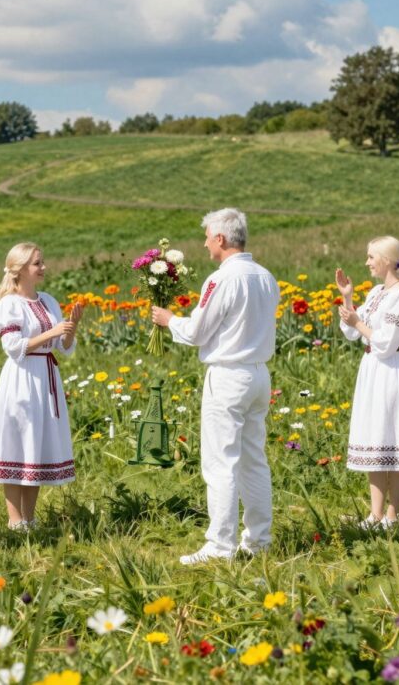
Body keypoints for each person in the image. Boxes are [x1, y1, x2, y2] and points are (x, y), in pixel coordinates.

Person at [151, 207, 279, 564]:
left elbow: (196, 331)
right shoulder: (266, 276)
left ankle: (220, 544)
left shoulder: (221, 279)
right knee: (254, 458)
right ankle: (259, 539)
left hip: (228, 374)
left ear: (220, 238)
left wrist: (170, 319)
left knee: (221, 462)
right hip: (258, 371)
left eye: (208, 237)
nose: (205, 244)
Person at [0, 243, 83, 529]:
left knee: (35, 445)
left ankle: (30, 518)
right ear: (19, 270)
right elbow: (13, 346)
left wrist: (71, 327)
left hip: (45, 377)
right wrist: (52, 331)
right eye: (37, 264)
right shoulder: (9, 305)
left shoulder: (49, 301)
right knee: (17, 443)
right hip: (21, 378)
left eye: (42, 262)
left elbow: (63, 347)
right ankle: (14, 520)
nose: (43, 268)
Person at [335, 237, 399, 530]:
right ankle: (374, 515)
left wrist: (358, 323)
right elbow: (352, 332)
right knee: (376, 438)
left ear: (386, 260)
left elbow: (386, 342)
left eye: (371, 257)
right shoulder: (376, 292)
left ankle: (392, 515)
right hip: (371, 368)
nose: (367, 262)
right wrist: (348, 299)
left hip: (389, 369)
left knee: (394, 439)